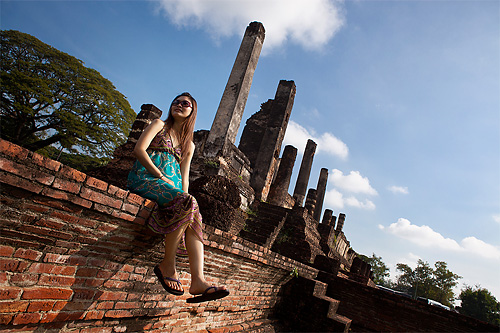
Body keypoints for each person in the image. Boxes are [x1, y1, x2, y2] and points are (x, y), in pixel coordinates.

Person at [127, 92, 229, 303]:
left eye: (185, 104)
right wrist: (158, 173)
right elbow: (139, 150)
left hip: (171, 189)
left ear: (192, 111)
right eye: (176, 102)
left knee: (193, 210)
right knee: (187, 203)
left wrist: (186, 198)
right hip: (146, 178)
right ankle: (168, 265)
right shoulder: (158, 125)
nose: (179, 105)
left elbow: (184, 178)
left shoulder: (189, 145)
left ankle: (198, 281)